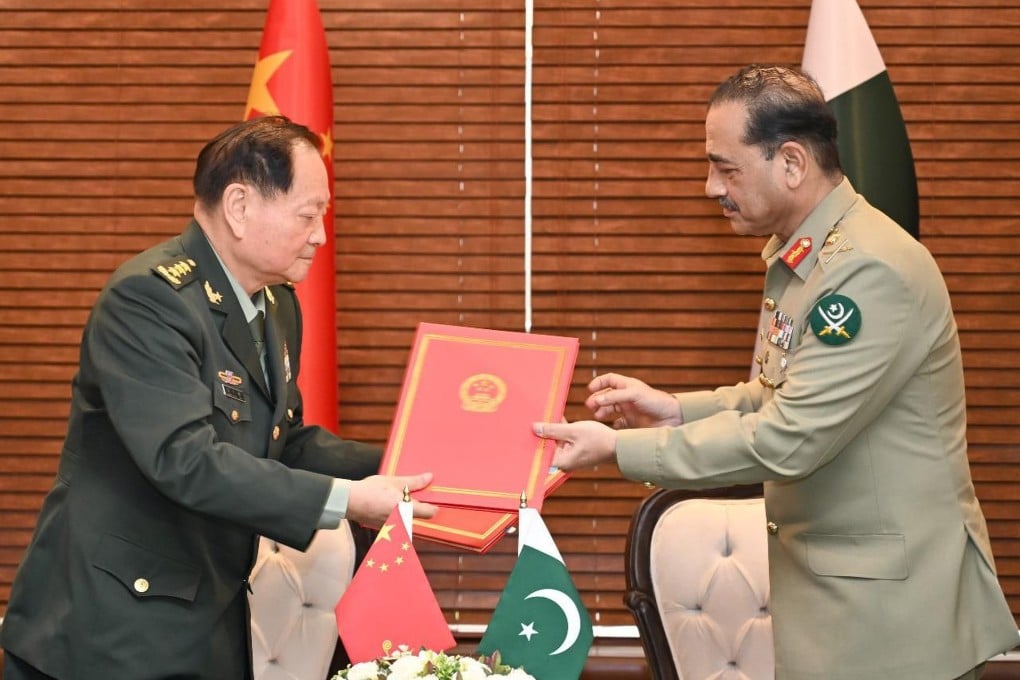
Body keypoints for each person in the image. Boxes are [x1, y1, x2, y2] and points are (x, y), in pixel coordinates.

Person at [533, 65, 1018, 679]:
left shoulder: (867, 271)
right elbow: (778, 393)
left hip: (889, 621)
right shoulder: (808, 254)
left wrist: (619, 449)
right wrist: (678, 409)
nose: (712, 186)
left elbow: (790, 437)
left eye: (726, 167)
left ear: (791, 162)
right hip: (842, 604)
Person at [0, 116, 437, 680]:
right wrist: (348, 501)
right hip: (111, 632)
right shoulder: (149, 300)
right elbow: (184, 458)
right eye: (309, 215)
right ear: (239, 206)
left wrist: (411, 461)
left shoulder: (276, 306)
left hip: (205, 619)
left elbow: (283, 442)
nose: (321, 235)